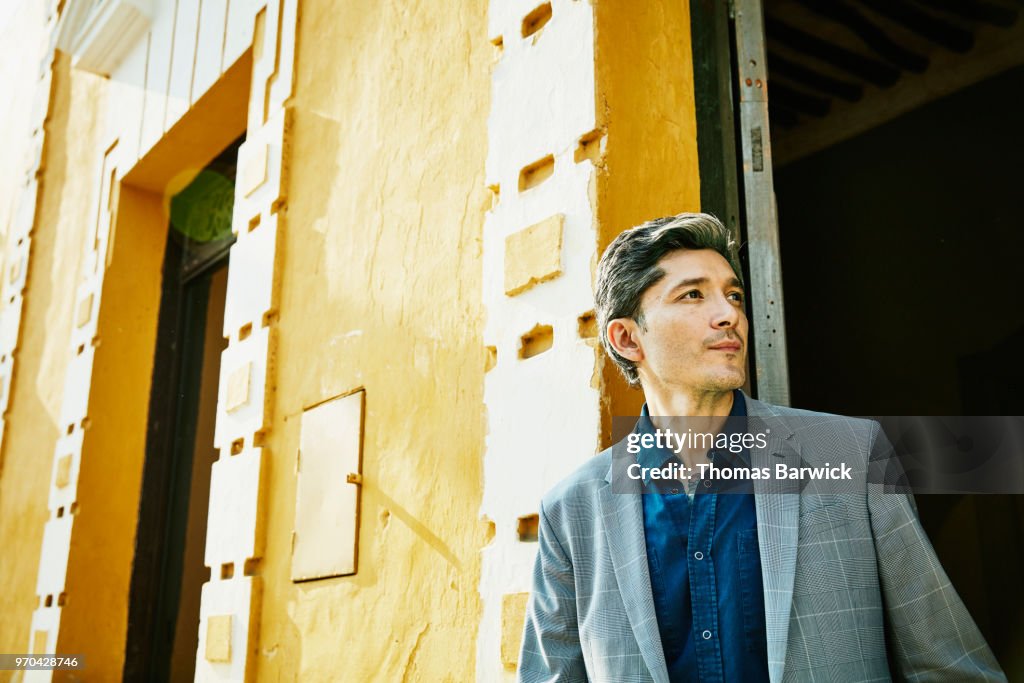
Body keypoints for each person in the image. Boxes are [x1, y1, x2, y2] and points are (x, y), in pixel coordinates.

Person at [517, 212, 1005, 682]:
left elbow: (948, 666)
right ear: (627, 338)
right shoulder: (571, 510)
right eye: (692, 295)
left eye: (734, 295)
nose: (729, 314)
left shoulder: (850, 453)